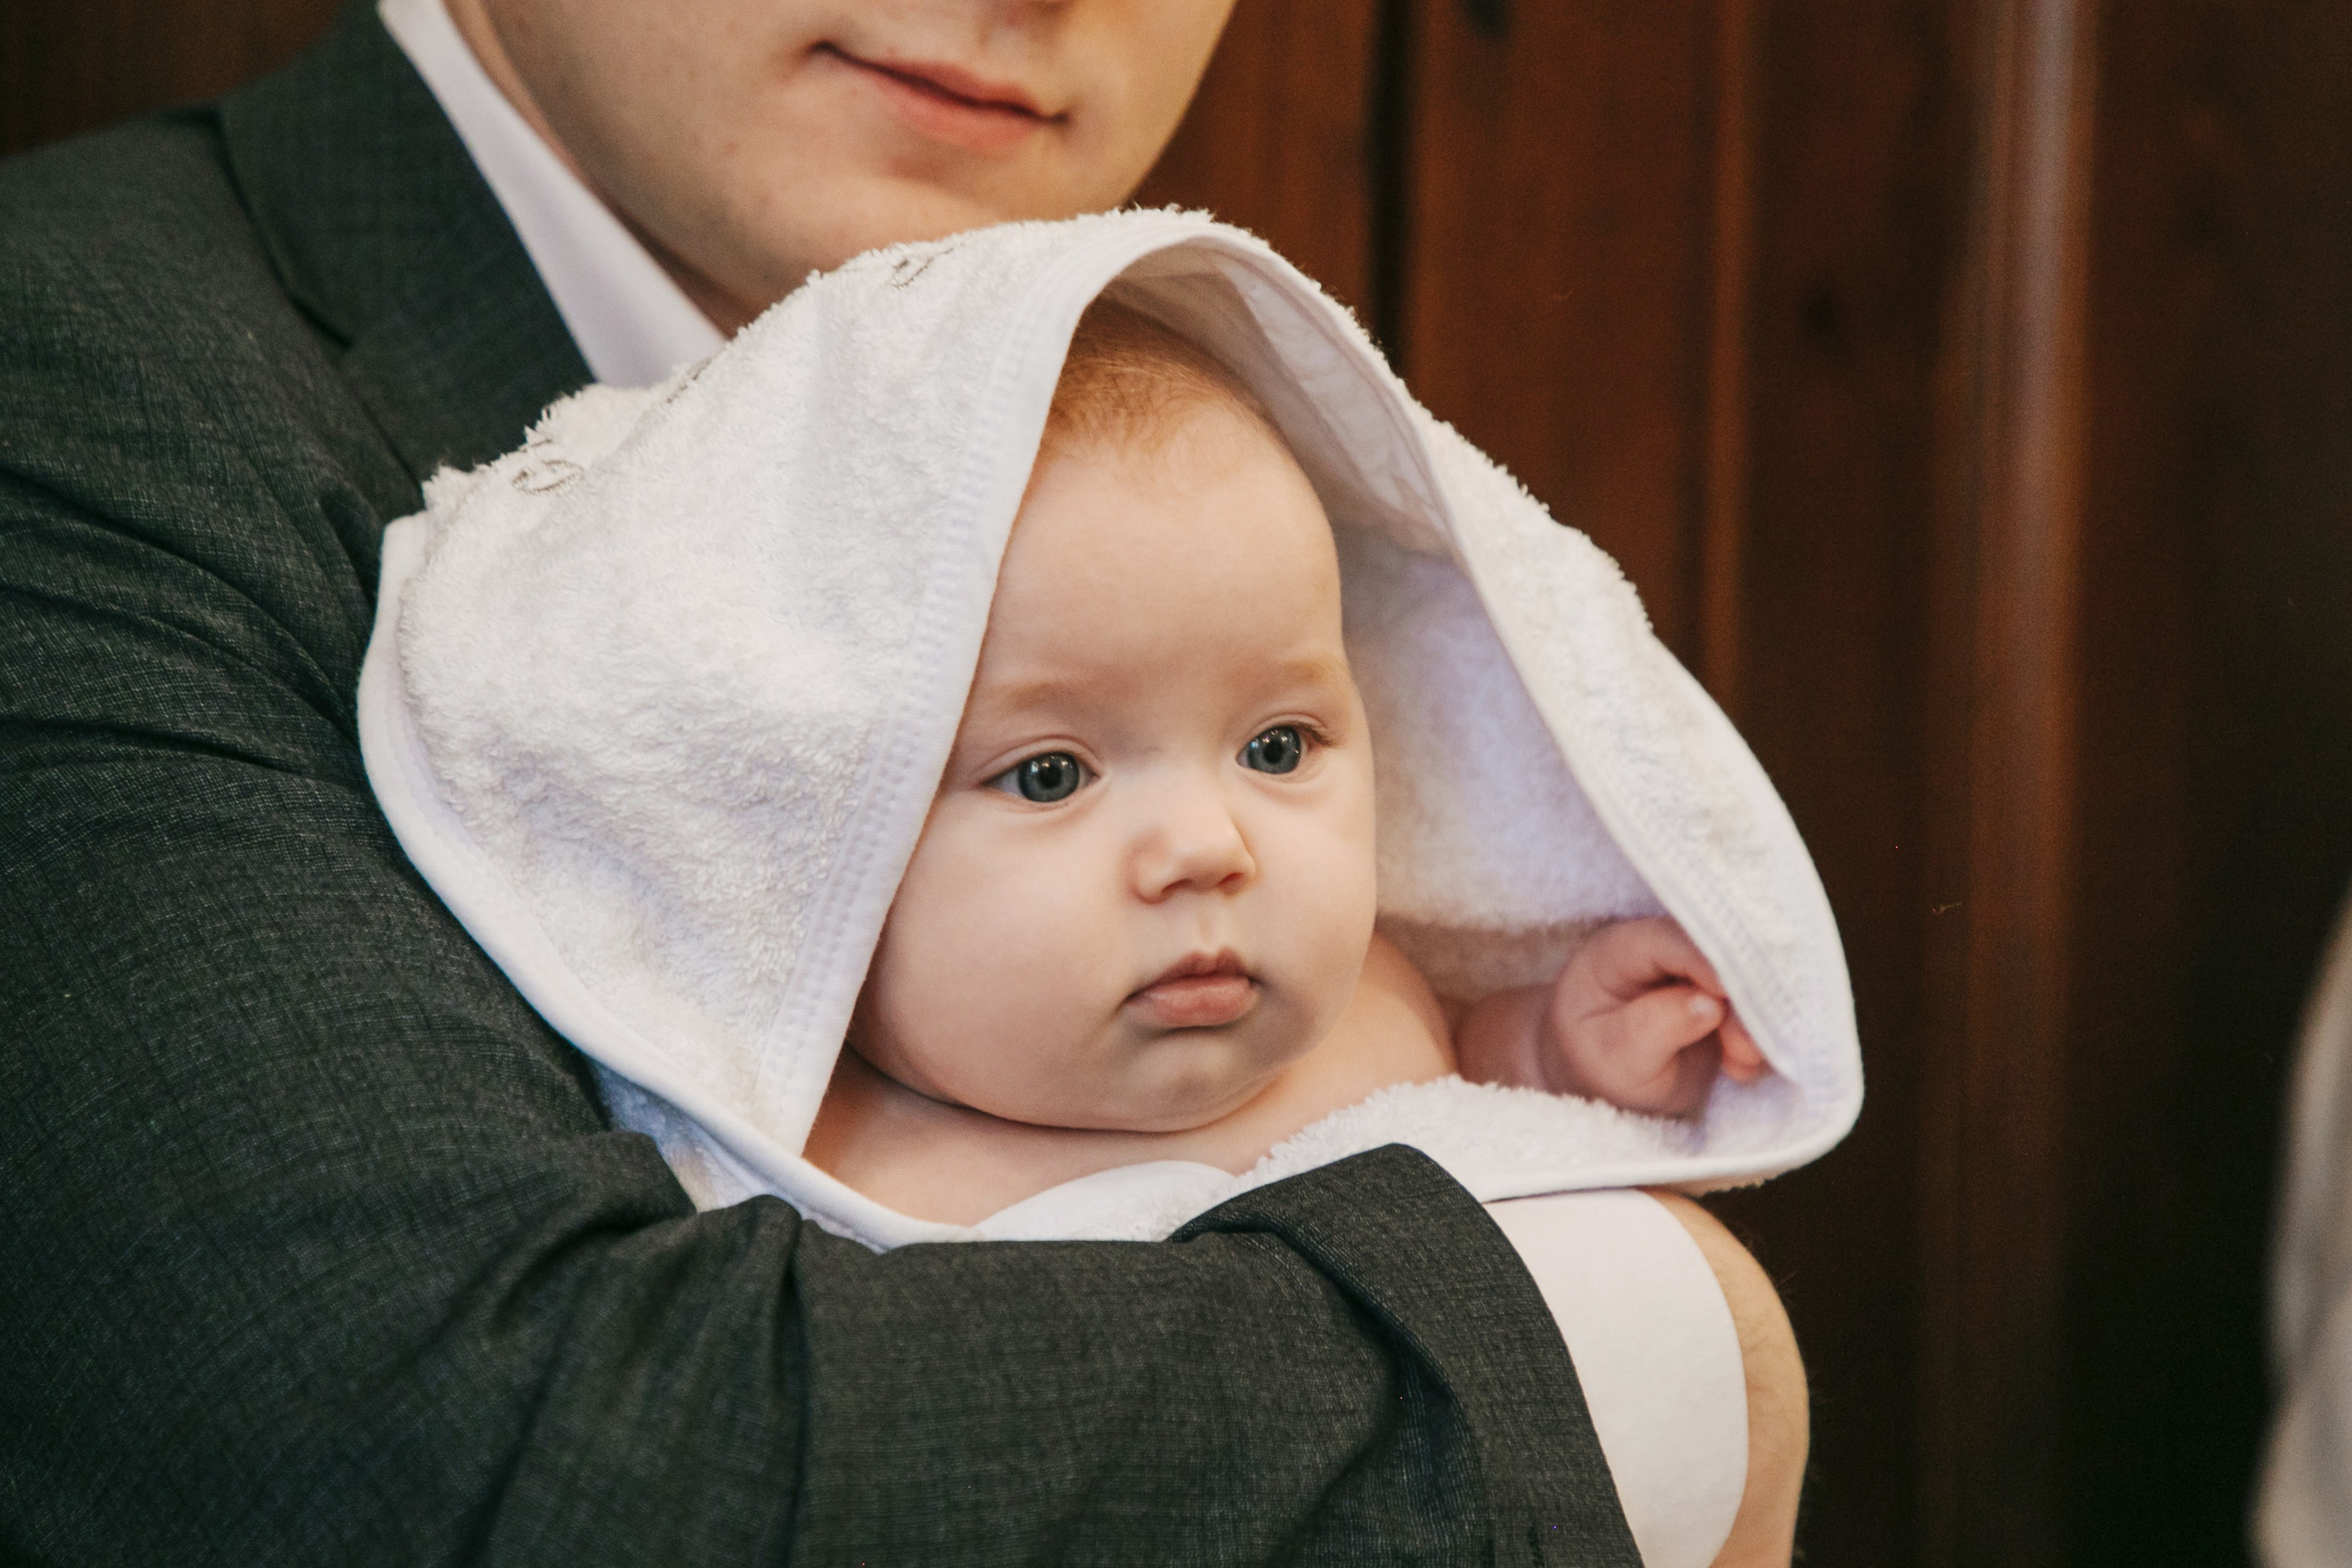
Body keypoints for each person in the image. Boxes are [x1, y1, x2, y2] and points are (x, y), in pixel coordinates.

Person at [0, 0, 1810, 1562]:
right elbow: (450, 1478)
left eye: (1276, 742)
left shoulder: (1224, 444)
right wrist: (1644, 1350)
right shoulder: (79, 386)